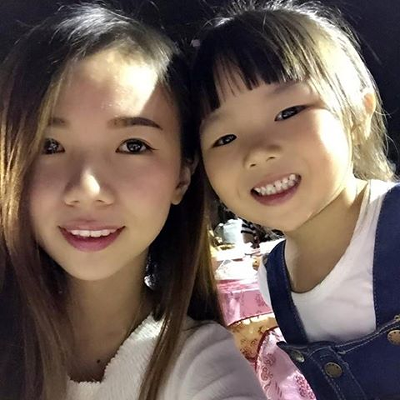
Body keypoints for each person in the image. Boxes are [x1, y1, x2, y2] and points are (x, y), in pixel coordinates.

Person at [0, 4, 266, 400]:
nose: (87, 188)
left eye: (133, 145)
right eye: (49, 145)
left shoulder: (200, 364)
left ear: (182, 176)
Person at [191, 0, 400, 398]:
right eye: (225, 137)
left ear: (358, 113)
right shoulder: (273, 279)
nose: (258, 152)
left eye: (288, 112)